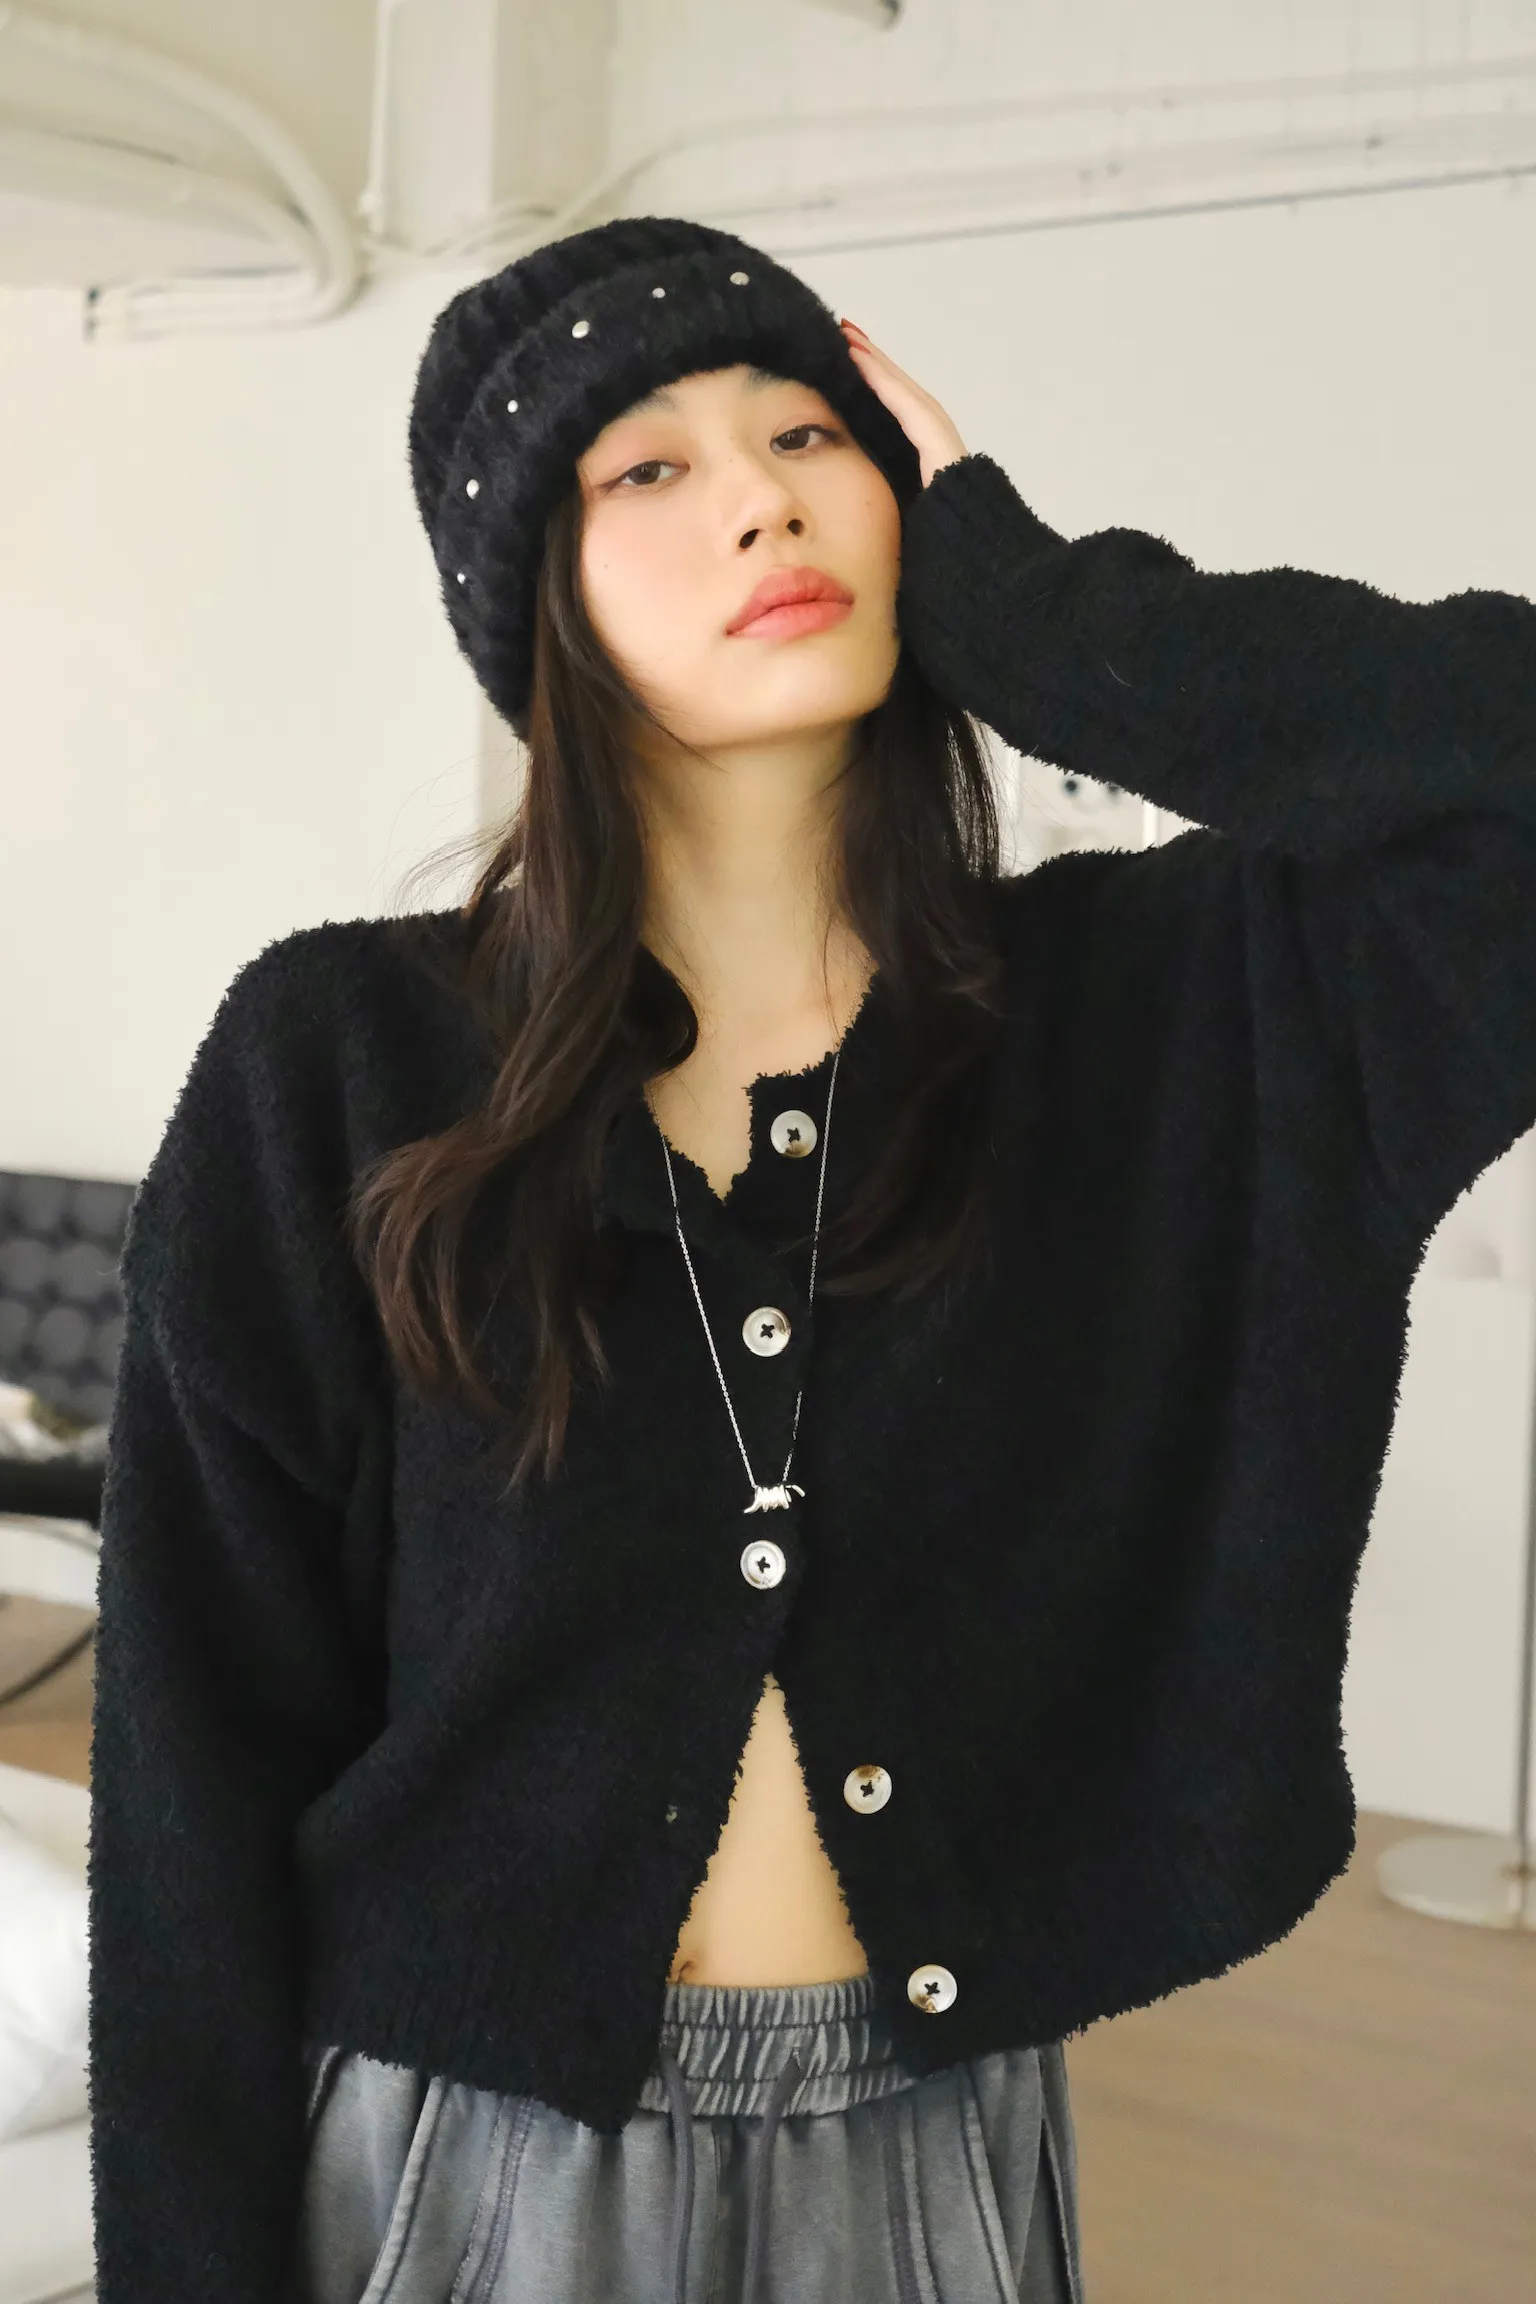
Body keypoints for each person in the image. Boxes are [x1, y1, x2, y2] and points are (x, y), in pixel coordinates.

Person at [85, 216, 1536, 2304]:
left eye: (805, 433)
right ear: (538, 597)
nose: (760, 499)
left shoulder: (1167, 1012)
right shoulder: (343, 1056)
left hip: (927, 2168)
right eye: (648, 468)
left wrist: (1045, 618)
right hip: (458, 2173)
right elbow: (191, 1761)